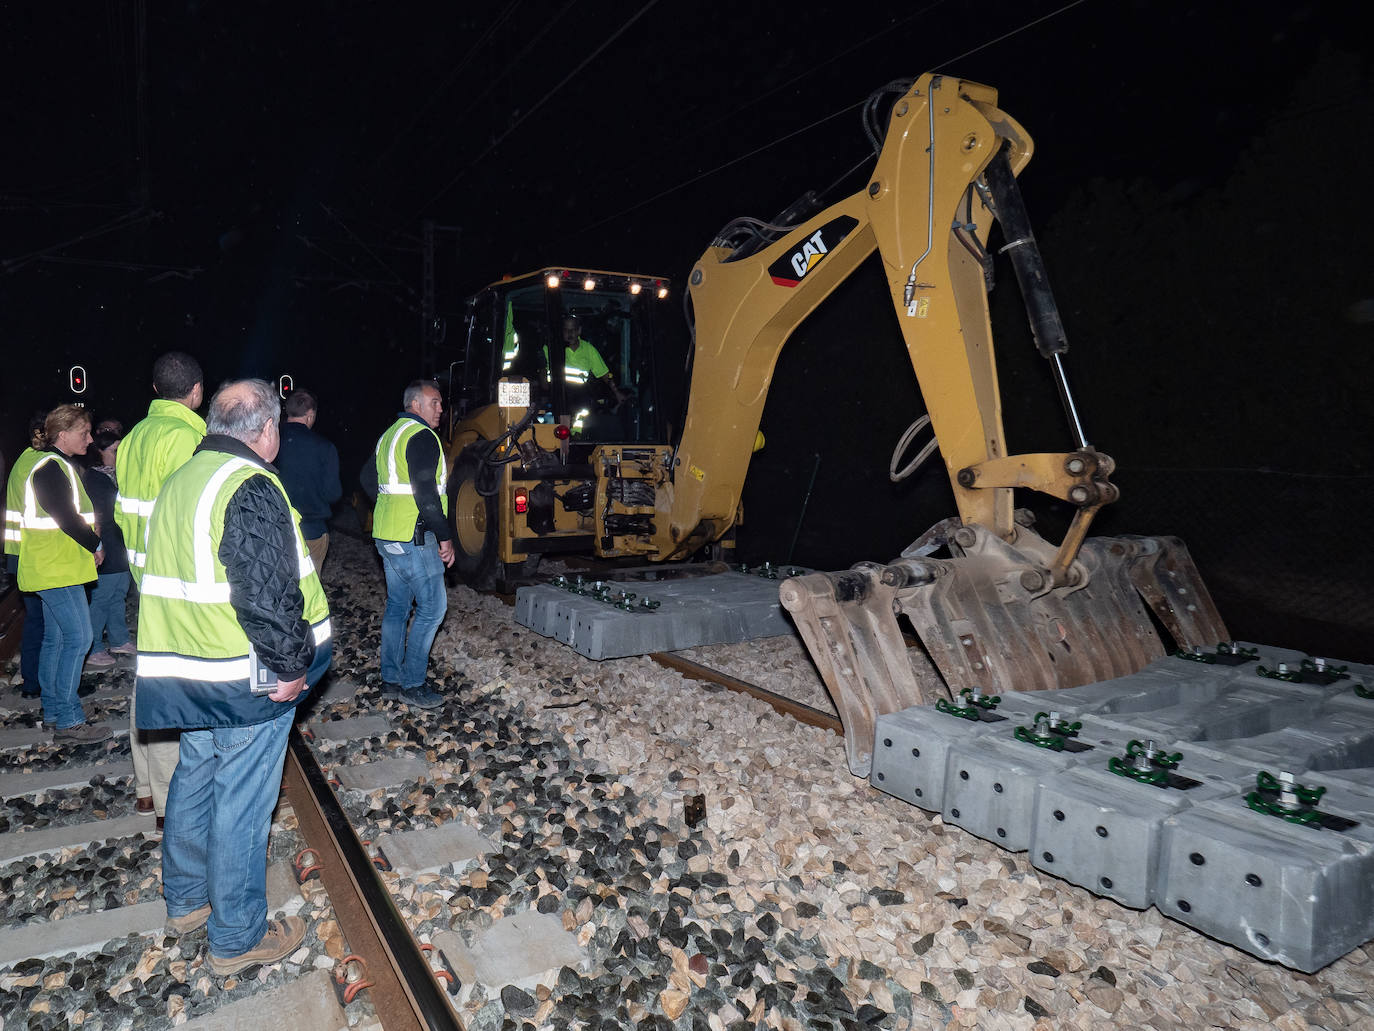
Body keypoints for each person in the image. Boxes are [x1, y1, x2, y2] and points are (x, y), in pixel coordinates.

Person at [135, 378, 331, 976]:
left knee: (194, 783)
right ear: (268, 430)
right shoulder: (249, 484)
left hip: (187, 671)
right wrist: (291, 667)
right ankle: (237, 937)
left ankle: (188, 903)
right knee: (243, 805)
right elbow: (268, 595)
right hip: (243, 680)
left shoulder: (185, 478)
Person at [116, 351, 206, 823]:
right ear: (197, 392)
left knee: (149, 678)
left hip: (143, 576)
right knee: (180, 686)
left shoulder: (131, 440)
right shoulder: (193, 437)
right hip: (182, 580)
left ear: (155, 390)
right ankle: (173, 808)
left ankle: (146, 786)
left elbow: (123, 512)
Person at [17, 405, 110, 743]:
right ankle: (71, 721)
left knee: (57, 640)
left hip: (54, 568)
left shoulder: (54, 466)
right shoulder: (51, 468)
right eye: (84, 433)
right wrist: (95, 543)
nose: (89, 439)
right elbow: (66, 518)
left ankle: (55, 712)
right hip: (55, 570)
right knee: (79, 638)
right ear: (63, 434)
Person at [363, 380, 454, 709]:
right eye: (435, 402)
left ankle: (390, 680)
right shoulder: (422, 437)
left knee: (398, 608)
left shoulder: (390, 435)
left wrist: (389, 509)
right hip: (414, 538)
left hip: (387, 536)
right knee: (432, 609)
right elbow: (426, 493)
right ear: (415, 404)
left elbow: (366, 479)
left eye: (441, 403)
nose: (441, 409)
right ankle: (412, 685)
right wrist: (445, 536)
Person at [4, 411, 50, 699]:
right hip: (37, 554)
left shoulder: (24, 459)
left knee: (37, 621)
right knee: (46, 624)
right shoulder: (42, 463)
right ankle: (42, 684)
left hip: (21, 552)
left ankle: (34, 682)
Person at [83, 427, 135, 669]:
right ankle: (93, 648)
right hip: (107, 546)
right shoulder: (94, 478)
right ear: (100, 452)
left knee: (118, 594)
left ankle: (119, 639)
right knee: (102, 598)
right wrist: (98, 545)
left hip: (121, 545)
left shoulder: (119, 475)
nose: (118, 454)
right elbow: (96, 516)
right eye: (114, 450)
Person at [274, 388, 341, 573]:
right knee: (310, 589)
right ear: (310, 415)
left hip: (276, 529)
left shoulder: (269, 442)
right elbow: (333, 493)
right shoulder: (324, 447)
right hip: (312, 530)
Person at [545, 315, 628, 406]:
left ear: (579, 331)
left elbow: (604, 374)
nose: (570, 333)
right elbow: (541, 372)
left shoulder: (589, 350)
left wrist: (617, 393)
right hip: (557, 400)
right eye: (566, 330)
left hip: (580, 400)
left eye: (573, 330)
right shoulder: (550, 348)